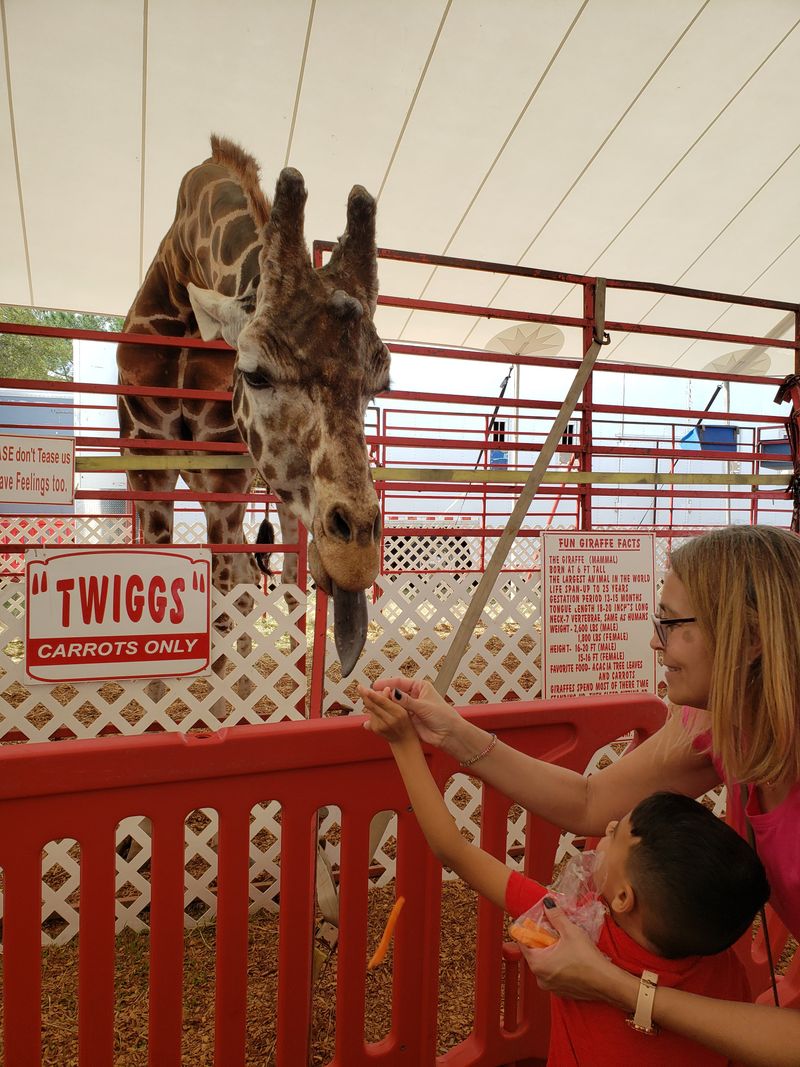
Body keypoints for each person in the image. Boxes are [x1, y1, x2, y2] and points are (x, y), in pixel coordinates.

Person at [363, 524, 800, 1065]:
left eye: (673, 622)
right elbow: (590, 801)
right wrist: (451, 731)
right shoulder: (719, 724)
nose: (655, 640)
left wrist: (616, 986)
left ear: (752, 638)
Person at [360, 683, 770, 1065]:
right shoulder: (719, 965)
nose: (607, 828)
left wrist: (403, 744)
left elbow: (454, 849)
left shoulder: (574, 930)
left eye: (618, 834)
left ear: (624, 898)